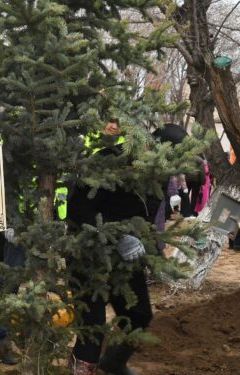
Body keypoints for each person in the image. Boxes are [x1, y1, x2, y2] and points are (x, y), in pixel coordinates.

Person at [65, 121, 161, 375]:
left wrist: (150, 252)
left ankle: (114, 362)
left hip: (127, 259)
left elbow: (145, 216)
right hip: (88, 253)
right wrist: (116, 236)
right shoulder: (105, 162)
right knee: (93, 326)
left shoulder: (160, 173)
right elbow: (78, 210)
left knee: (139, 314)